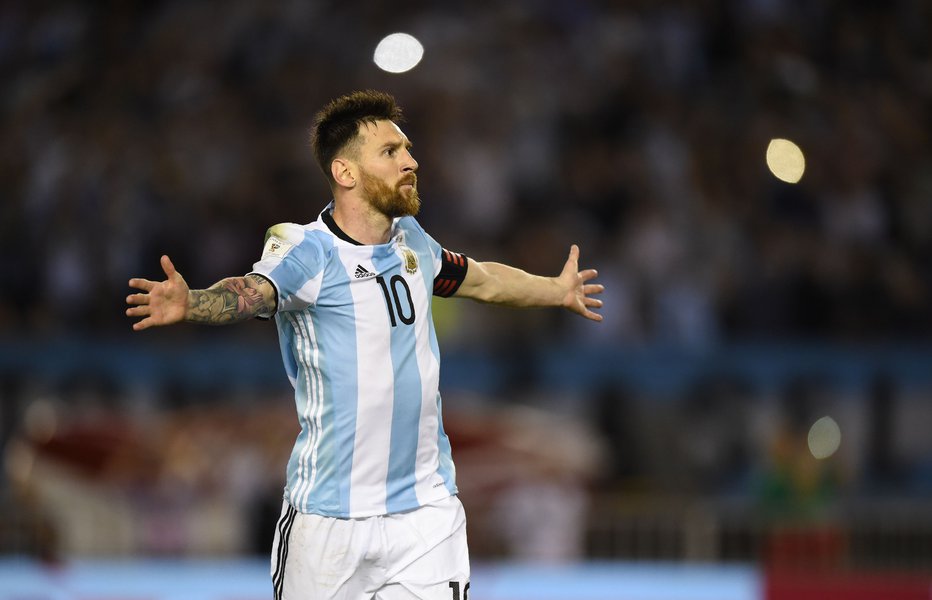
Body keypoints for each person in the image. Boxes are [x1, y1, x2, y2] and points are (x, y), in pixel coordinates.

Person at [126, 90, 604, 600]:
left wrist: (556, 289)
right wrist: (193, 302)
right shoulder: (308, 251)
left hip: (426, 514)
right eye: (392, 152)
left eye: (408, 149)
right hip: (329, 519)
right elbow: (254, 292)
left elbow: (482, 280)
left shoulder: (413, 240)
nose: (411, 161)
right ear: (346, 172)